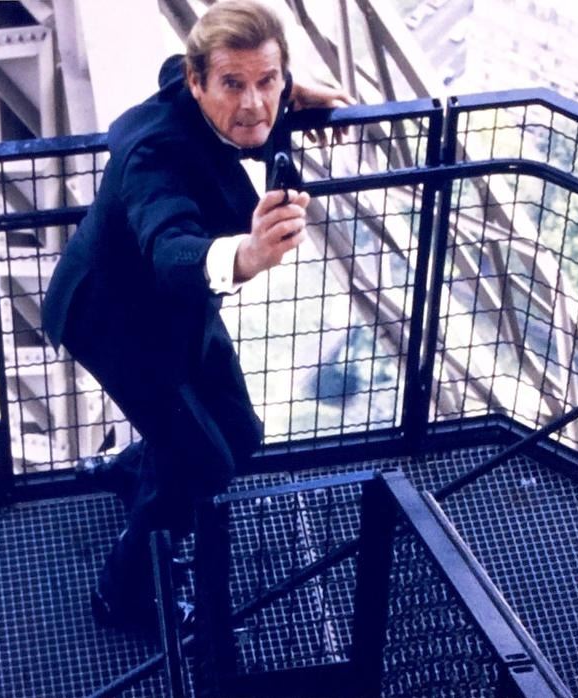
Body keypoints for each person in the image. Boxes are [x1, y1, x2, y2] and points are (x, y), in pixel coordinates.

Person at [42, 0, 351, 632]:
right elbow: (169, 249)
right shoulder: (153, 156)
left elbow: (202, 72)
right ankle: (121, 596)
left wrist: (293, 93)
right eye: (233, 85)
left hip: (178, 309)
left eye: (267, 81)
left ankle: (130, 473)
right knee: (204, 461)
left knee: (240, 436)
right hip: (115, 318)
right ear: (198, 83)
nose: (254, 104)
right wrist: (248, 254)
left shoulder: (200, 82)